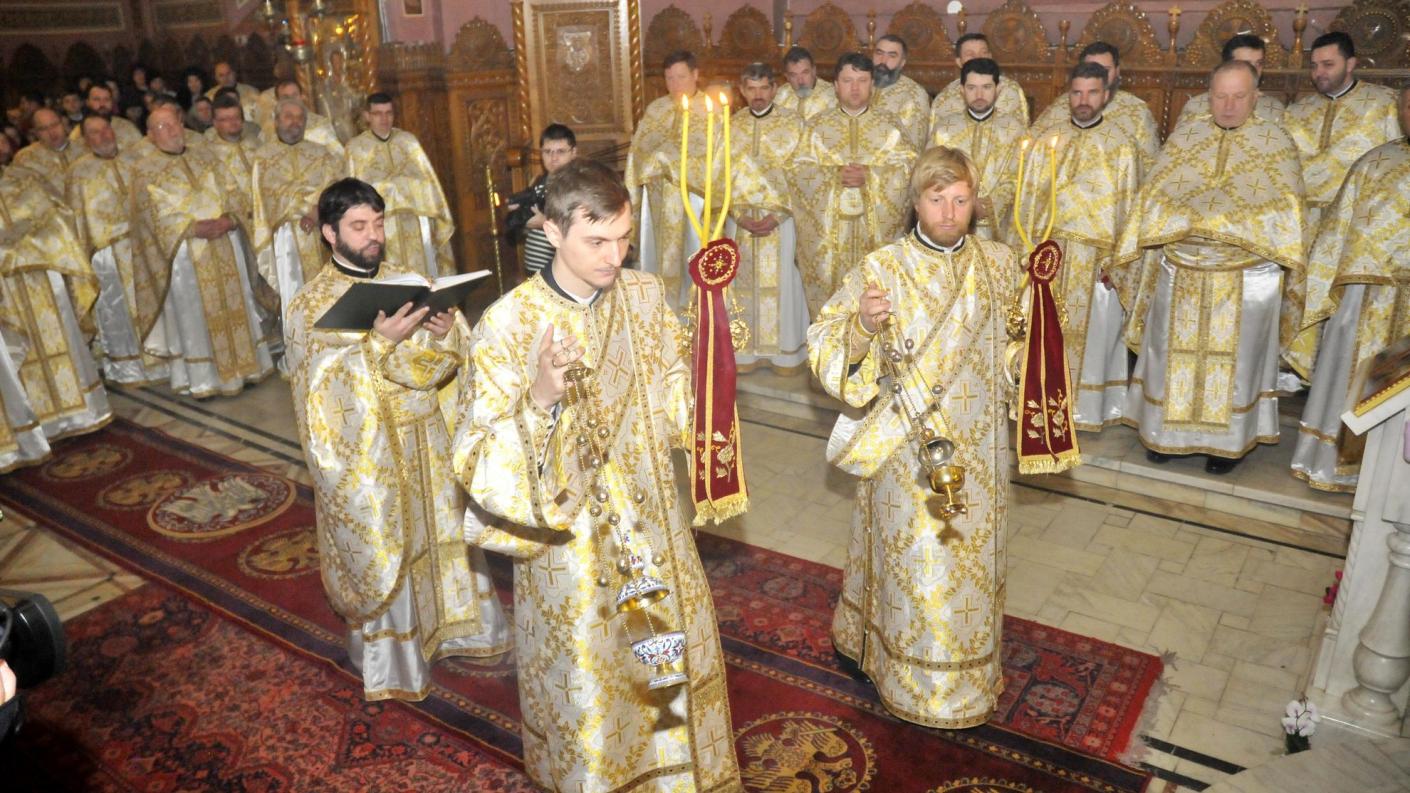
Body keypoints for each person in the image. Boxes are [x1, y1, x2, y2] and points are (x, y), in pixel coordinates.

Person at [451, 159, 741, 792]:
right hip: (572, 548)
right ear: (552, 231)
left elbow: (676, 402)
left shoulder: (643, 294)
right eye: (597, 241)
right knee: (593, 684)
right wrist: (540, 398)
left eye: (624, 238)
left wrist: (712, 359)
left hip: (655, 525)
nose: (615, 257)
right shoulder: (507, 323)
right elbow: (476, 459)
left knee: (670, 669)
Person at [808, 145, 1016, 729]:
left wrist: (1030, 359)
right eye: (936, 199)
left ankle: (968, 677)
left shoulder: (1001, 264)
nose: (949, 212)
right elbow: (823, 343)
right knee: (917, 563)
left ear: (976, 202)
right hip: (906, 448)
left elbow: (1015, 348)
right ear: (915, 203)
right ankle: (900, 668)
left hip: (980, 447)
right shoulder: (883, 268)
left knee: (971, 564)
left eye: (961, 199)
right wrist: (861, 327)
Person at [284, 177, 510, 701]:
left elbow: (443, 364)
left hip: (428, 437)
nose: (373, 236)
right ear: (329, 233)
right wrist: (374, 348)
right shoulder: (308, 306)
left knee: (444, 533)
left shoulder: (408, 281)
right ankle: (398, 658)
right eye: (358, 226)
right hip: (374, 455)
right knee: (394, 545)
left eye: (378, 223)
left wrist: (446, 333)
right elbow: (319, 397)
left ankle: (461, 630)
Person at [1114, 61, 1305, 474]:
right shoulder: (1186, 137)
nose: (1229, 105)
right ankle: (1165, 436)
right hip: (1181, 267)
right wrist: (1189, 222)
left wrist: (1219, 224)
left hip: (1245, 274)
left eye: (1239, 96)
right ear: (1208, 96)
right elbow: (1154, 197)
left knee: (1234, 363)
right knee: (1172, 354)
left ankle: (1225, 446)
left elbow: (1285, 210)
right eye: (1220, 96)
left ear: (1256, 97)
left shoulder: (1276, 143)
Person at [1000, 61, 1143, 430]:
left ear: (1106, 95)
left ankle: (1086, 411)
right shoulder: (1048, 141)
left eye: (1092, 92)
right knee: (1044, 331)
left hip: (1096, 261)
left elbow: (1129, 208)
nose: (1083, 100)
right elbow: (1027, 202)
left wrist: (1119, 262)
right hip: (1050, 255)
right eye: (1076, 92)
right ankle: (1041, 404)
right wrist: (1026, 252)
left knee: (1092, 338)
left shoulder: (1121, 145)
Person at [1290, 86, 1410, 492]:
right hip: (1366, 298)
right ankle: (1336, 465)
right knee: (1351, 374)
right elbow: (1334, 238)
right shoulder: (1374, 163)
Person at [128, 104, 275, 397]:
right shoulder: (143, 171)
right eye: (162, 127)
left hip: (226, 242)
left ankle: (247, 368)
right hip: (186, 252)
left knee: (236, 305)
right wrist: (191, 228)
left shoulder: (206, 155)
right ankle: (205, 378)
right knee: (194, 313)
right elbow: (149, 216)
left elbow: (233, 191)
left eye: (174, 123)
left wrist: (229, 218)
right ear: (150, 135)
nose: (171, 131)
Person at [792, 53, 917, 315]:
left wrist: (870, 177)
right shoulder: (817, 127)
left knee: (877, 291)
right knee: (833, 301)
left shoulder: (891, 126)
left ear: (872, 85)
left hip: (875, 235)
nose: (855, 88)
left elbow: (909, 169)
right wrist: (833, 177)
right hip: (830, 236)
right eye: (848, 81)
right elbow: (798, 171)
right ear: (836, 85)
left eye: (862, 80)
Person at [0, 167, 111, 440]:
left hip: (46, 279)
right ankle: (35, 424)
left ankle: (83, 413)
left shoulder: (27, 180)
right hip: (6, 289)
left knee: (64, 342)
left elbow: (59, 219)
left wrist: (22, 246)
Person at [67, 115, 168, 385]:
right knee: (118, 311)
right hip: (108, 254)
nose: (104, 136)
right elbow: (80, 223)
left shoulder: (136, 160)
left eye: (106, 129)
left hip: (145, 246)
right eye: (95, 132)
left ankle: (162, 362)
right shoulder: (79, 173)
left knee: (155, 303)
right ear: (86, 140)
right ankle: (127, 367)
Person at [725, 62, 810, 372]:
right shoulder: (731, 126)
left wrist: (778, 214)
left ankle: (784, 354)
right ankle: (745, 352)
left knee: (784, 280)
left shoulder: (794, 124)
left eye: (764, 88)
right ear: (742, 90)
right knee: (740, 283)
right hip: (740, 220)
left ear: (774, 89)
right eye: (751, 89)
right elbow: (719, 173)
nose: (758, 95)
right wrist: (737, 214)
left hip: (782, 220)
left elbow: (803, 172)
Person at [625, 50, 716, 308]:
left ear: (695, 75)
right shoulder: (656, 110)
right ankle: (660, 313)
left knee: (694, 257)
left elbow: (718, 158)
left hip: (695, 202)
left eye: (681, 77)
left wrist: (672, 163)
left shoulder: (712, 110)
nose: (675, 84)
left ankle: (697, 317)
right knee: (658, 260)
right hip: (657, 202)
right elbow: (637, 155)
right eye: (669, 78)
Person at [251, 98, 346, 326]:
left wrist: (317, 212)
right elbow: (267, 197)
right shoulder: (263, 158)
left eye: (300, 117)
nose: (295, 122)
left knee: (329, 292)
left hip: (322, 233)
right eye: (288, 116)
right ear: (276, 121)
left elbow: (334, 185)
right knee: (294, 293)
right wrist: (306, 208)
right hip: (286, 237)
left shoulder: (321, 153)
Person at [345, 92, 455, 279]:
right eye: (378, 114)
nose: (384, 119)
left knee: (422, 272)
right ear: (367, 116)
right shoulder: (356, 148)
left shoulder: (408, 142)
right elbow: (355, 192)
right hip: (380, 224)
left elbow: (429, 183)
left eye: (389, 113)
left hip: (415, 221)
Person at [928, 58, 1027, 240]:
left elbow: (1020, 176)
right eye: (972, 88)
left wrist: (989, 205)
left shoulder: (1015, 130)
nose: (979, 94)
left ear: (998, 89)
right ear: (961, 90)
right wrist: (959, 202)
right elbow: (931, 174)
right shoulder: (944, 129)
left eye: (986, 87)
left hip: (998, 227)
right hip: (950, 218)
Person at [1033, 41, 1158, 174]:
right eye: (1091, 69)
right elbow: (1033, 150)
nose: (1098, 76)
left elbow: (1149, 166)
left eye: (1105, 70)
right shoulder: (1059, 107)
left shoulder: (1137, 112)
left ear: (1117, 71)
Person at [506, 123, 576, 277]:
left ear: (573, 152)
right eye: (547, 152)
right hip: (534, 269)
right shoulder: (538, 182)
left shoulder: (579, 185)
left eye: (560, 151)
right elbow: (526, 231)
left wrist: (544, 223)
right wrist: (520, 215)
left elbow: (580, 229)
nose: (553, 158)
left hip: (563, 270)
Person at [928, 32, 1029, 138]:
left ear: (990, 56)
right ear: (959, 62)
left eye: (983, 52)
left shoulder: (1010, 90)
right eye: (970, 54)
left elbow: (1019, 135)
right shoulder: (945, 97)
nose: (978, 58)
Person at [1174, 34, 1284, 129]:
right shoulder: (1196, 108)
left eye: (1259, 63)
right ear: (1227, 65)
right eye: (1246, 64)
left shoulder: (1274, 110)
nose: (1254, 70)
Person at [204, 91, 262, 224]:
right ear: (215, 123)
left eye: (236, 117)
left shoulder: (256, 143)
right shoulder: (209, 155)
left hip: (265, 215)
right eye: (225, 119)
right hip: (235, 223)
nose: (233, 122)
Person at [871, 34, 931, 150]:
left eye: (892, 56)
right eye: (879, 53)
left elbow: (912, 144)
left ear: (902, 62)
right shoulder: (858, 84)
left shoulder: (914, 94)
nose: (883, 61)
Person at [258, 79, 344, 158]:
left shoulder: (321, 124)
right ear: (277, 100)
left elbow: (337, 155)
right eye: (285, 97)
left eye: (294, 95)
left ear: (302, 96)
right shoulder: (269, 130)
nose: (291, 100)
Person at [8, 108, 81, 199]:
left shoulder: (84, 147)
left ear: (63, 123)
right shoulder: (25, 158)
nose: (51, 132)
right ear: (36, 133)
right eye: (43, 129)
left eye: (54, 125)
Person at [70, 83, 143, 150]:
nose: (102, 104)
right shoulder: (77, 135)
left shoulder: (127, 127)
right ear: (87, 102)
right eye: (97, 99)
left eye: (106, 99)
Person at [775, 46, 837, 119]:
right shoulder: (778, 97)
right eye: (793, 75)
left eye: (805, 73)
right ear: (787, 77)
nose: (800, 81)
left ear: (814, 71)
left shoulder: (833, 96)